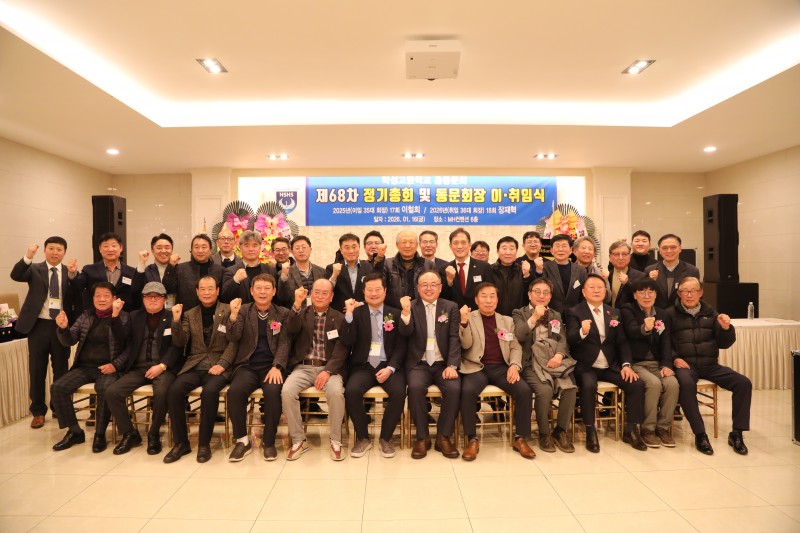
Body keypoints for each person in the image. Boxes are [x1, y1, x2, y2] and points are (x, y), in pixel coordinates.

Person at [667, 276, 751, 455]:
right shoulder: (670, 314)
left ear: (701, 293)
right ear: (679, 293)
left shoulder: (711, 313)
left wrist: (726, 328)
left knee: (743, 383)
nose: (689, 295)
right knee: (686, 384)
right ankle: (700, 434)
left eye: (693, 291)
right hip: (686, 366)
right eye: (685, 291)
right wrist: (674, 358)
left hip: (710, 365)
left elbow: (724, 343)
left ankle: (737, 433)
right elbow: (663, 343)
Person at [566, 274, 647, 452]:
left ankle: (631, 429)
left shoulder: (614, 312)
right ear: (584, 292)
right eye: (592, 287)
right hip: (586, 365)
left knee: (636, 384)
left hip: (610, 365)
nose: (596, 290)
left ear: (605, 291)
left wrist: (626, 365)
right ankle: (590, 430)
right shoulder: (574, 311)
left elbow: (622, 342)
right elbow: (570, 340)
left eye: (600, 287)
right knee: (588, 386)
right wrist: (582, 332)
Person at [458, 282, 536, 460]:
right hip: (476, 367)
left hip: (502, 367)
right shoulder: (469, 318)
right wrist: (464, 323)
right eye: (484, 296)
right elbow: (466, 345)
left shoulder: (506, 321)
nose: (488, 300)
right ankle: (472, 438)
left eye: (492, 296)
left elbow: (515, 347)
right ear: (476, 300)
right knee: (467, 391)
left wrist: (514, 365)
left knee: (524, 390)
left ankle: (520, 438)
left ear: (497, 300)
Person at [164, 276, 236, 464]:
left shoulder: (229, 310)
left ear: (217, 291)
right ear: (196, 292)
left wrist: (223, 364)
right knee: (174, 390)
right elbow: (180, 342)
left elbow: (234, 341)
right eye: (202, 289)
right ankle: (181, 443)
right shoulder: (189, 314)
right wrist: (176, 321)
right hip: (195, 365)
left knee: (210, 392)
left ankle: (204, 444)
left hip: (219, 365)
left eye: (210, 288)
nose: (206, 292)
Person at [51, 282, 130, 452]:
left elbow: (130, 349)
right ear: (93, 299)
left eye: (106, 296)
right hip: (84, 367)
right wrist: (63, 328)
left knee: (104, 388)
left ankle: (100, 434)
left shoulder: (124, 317)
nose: (102, 299)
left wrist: (115, 365)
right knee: (58, 387)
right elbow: (69, 340)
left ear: (115, 298)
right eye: (98, 296)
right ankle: (74, 431)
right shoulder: (86, 316)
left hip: (109, 368)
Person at [104, 282, 180, 455]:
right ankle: (129, 433)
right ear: (143, 299)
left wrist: (162, 366)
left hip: (163, 368)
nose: (153, 300)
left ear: (164, 299)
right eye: (148, 296)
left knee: (162, 392)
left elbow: (177, 346)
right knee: (112, 392)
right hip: (138, 368)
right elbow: (121, 338)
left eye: (157, 296)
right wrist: (115, 315)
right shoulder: (135, 316)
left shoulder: (172, 316)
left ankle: (154, 433)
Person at [10, 237, 77, 428]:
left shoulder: (69, 272)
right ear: (45, 250)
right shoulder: (34, 269)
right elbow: (16, 275)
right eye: (51, 248)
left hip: (60, 326)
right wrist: (27, 257)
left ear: (64, 252)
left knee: (61, 368)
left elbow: (77, 293)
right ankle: (38, 411)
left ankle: (59, 406)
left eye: (59, 249)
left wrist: (73, 275)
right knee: (37, 369)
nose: (55, 252)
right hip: (38, 325)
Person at [280, 279, 351, 461]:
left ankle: (335, 440)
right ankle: (299, 440)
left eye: (324, 293)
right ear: (311, 294)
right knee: (287, 391)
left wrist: (328, 371)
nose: (320, 296)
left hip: (329, 368)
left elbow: (342, 349)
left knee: (336, 392)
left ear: (331, 296)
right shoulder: (301, 313)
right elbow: (291, 328)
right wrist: (297, 304)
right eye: (316, 292)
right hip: (303, 367)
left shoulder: (339, 318)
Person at [225, 274, 291, 461]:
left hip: (271, 366)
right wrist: (233, 316)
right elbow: (233, 337)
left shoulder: (283, 313)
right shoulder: (243, 310)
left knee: (273, 393)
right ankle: (242, 441)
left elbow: (285, 343)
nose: (263, 292)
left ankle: (268, 442)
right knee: (235, 392)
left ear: (274, 291)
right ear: (252, 291)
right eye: (258, 288)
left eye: (267, 288)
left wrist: (277, 366)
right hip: (247, 365)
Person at [344, 273, 407, 458]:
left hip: (388, 365)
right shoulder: (356, 314)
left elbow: (401, 346)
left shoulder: (395, 314)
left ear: (385, 291)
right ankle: (363, 438)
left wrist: (390, 368)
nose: (373, 293)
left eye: (378, 289)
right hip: (363, 366)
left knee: (398, 392)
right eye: (369, 290)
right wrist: (348, 315)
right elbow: (348, 340)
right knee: (351, 391)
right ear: (363, 292)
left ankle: (385, 438)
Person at [399, 271, 461, 459]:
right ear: (417, 288)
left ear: (440, 288)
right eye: (424, 284)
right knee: (415, 388)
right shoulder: (411, 307)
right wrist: (405, 313)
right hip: (419, 363)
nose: (429, 288)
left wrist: (452, 365)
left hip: (443, 364)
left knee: (454, 388)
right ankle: (422, 437)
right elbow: (404, 332)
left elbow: (454, 337)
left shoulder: (450, 307)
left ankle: (443, 436)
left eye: (433, 284)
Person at [513, 278, 577, 453]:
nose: (541, 296)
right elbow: (520, 335)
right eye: (537, 292)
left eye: (546, 292)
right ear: (529, 294)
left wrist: (559, 355)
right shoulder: (519, 313)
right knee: (545, 390)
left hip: (553, 361)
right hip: (530, 363)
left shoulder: (555, 315)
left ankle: (560, 431)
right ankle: (544, 433)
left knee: (570, 389)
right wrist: (534, 317)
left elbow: (562, 338)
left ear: (550, 296)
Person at [620, 277, 678, 448]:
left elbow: (666, 342)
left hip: (657, 363)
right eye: (642, 292)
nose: (647, 296)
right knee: (653, 384)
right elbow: (631, 330)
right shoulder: (627, 309)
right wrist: (644, 328)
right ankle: (648, 429)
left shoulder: (662, 314)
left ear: (656, 294)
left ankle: (663, 427)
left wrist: (666, 365)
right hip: (637, 363)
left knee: (673, 384)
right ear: (635, 295)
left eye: (650, 292)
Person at [73, 232, 143, 313]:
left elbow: (137, 294)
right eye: (106, 246)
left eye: (114, 245)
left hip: (124, 316)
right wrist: (72, 273)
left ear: (121, 248)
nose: (110, 249)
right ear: (100, 249)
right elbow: (76, 288)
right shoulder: (89, 270)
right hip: (96, 316)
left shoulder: (131, 272)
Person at [440, 228, 493, 311]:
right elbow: (442, 298)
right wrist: (449, 282)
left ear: (470, 245)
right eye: (455, 243)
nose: (459, 246)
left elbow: (490, 293)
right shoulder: (444, 268)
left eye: (463, 242)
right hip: (453, 315)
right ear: (450, 246)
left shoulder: (484, 267)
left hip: (478, 314)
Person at [381, 229, 436, 309]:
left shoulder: (429, 265)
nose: (407, 245)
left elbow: (434, 291)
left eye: (411, 242)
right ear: (397, 245)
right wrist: (398, 302)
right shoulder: (387, 264)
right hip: (395, 310)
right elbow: (381, 291)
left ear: (417, 245)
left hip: (421, 310)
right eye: (403, 242)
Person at [644, 234, 700, 309]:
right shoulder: (649, 270)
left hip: (682, 313)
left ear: (680, 248)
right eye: (665, 248)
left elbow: (696, 297)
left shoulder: (692, 271)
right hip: (657, 313)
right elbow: (644, 294)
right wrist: (650, 281)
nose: (669, 251)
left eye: (673, 247)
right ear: (659, 250)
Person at [220, 230, 278, 304]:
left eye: (255, 245)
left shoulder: (271, 270)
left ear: (260, 248)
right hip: (240, 310)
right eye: (246, 245)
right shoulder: (230, 271)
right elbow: (224, 298)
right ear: (240, 248)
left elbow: (277, 298)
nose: (251, 249)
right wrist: (235, 280)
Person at [172, 234, 224, 311]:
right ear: (191, 250)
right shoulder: (180, 269)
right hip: (186, 315)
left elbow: (224, 296)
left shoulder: (220, 270)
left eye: (204, 247)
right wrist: (170, 267)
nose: (200, 250)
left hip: (214, 314)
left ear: (210, 250)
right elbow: (169, 289)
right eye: (196, 247)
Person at [539, 234, 587, 314]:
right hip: (551, 314)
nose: (560, 249)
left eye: (564, 246)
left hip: (575, 314)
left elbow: (584, 295)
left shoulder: (581, 271)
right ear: (551, 250)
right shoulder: (545, 267)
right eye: (557, 246)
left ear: (571, 250)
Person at [327, 233, 374, 313]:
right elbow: (326, 292)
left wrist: (362, 303)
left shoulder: (369, 267)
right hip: (339, 315)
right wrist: (334, 276)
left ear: (359, 247)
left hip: (363, 313)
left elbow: (375, 292)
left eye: (354, 247)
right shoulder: (331, 268)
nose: (351, 251)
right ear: (341, 250)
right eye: (346, 247)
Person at [276, 235, 326, 309]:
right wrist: (284, 276)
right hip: (295, 313)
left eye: (304, 247)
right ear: (292, 252)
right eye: (297, 248)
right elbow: (283, 298)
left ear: (310, 250)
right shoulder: (284, 273)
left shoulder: (322, 271)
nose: (301, 250)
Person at [491, 236, 532, 316]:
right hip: (494, 317)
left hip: (518, 317)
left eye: (511, 249)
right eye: (504, 248)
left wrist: (527, 276)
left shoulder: (524, 271)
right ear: (497, 251)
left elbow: (530, 295)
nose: (508, 252)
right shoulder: (489, 270)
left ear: (516, 251)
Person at [140, 233, 180, 309]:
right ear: (152, 251)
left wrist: (171, 266)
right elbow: (136, 291)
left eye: (167, 247)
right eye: (159, 248)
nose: (163, 251)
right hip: (152, 312)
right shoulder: (147, 270)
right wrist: (141, 263)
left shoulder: (180, 269)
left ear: (172, 250)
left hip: (175, 312)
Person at [607, 240, 645, 308]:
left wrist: (627, 283)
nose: (621, 258)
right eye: (617, 254)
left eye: (624, 254)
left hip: (630, 313)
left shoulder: (640, 276)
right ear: (610, 257)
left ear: (629, 257)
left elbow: (642, 299)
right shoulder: (607, 276)